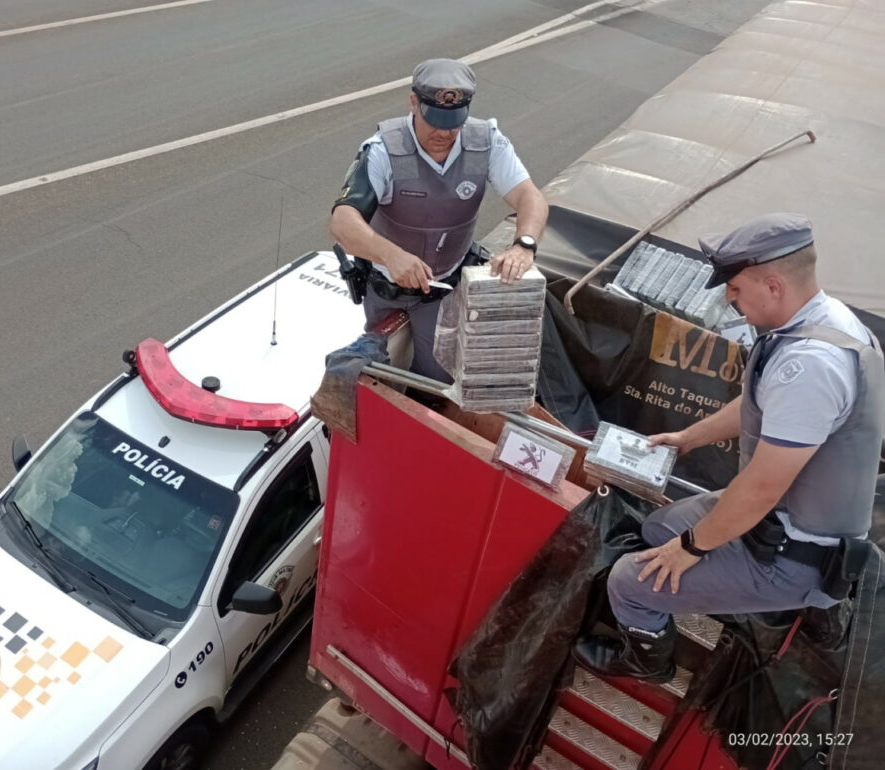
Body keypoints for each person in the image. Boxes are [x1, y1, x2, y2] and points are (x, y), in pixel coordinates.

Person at [573, 213, 885, 682]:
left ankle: (647, 662)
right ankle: (710, 586)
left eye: (736, 290)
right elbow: (757, 403)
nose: (730, 301)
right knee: (659, 528)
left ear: (774, 285)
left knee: (629, 582)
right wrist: (685, 439)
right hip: (780, 518)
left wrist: (692, 549)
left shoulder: (813, 367)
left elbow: (759, 489)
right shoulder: (821, 320)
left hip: (793, 554)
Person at [330, 58, 549, 382]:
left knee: (438, 380)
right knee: (382, 379)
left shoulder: (485, 141)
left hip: (444, 287)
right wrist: (390, 255)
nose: (444, 133)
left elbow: (530, 196)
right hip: (386, 289)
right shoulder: (386, 150)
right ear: (414, 103)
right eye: (434, 120)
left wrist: (524, 245)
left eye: (454, 122)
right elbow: (343, 220)